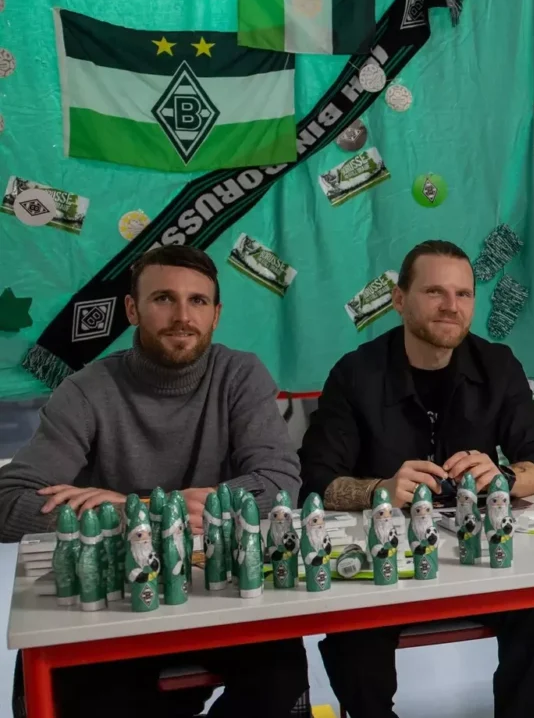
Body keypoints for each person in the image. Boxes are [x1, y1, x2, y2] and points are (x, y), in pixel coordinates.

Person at [0, 245, 307, 717]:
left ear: (217, 314)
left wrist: (135, 508)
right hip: (114, 606)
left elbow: (279, 482)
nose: (183, 316)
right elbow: (7, 504)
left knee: (282, 677)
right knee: (91, 694)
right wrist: (134, 511)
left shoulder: (239, 375)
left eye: (198, 302)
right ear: (131, 309)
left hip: (217, 593)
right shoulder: (86, 390)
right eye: (164, 298)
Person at [298, 240, 534, 718]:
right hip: (386, 567)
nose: (452, 307)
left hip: (479, 557)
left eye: (464, 294)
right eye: (435, 292)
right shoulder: (355, 373)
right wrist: (377, 490)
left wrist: (502, 475)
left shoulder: (498, 365)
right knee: (351, 632)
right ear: (400, 300)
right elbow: (315, 483)